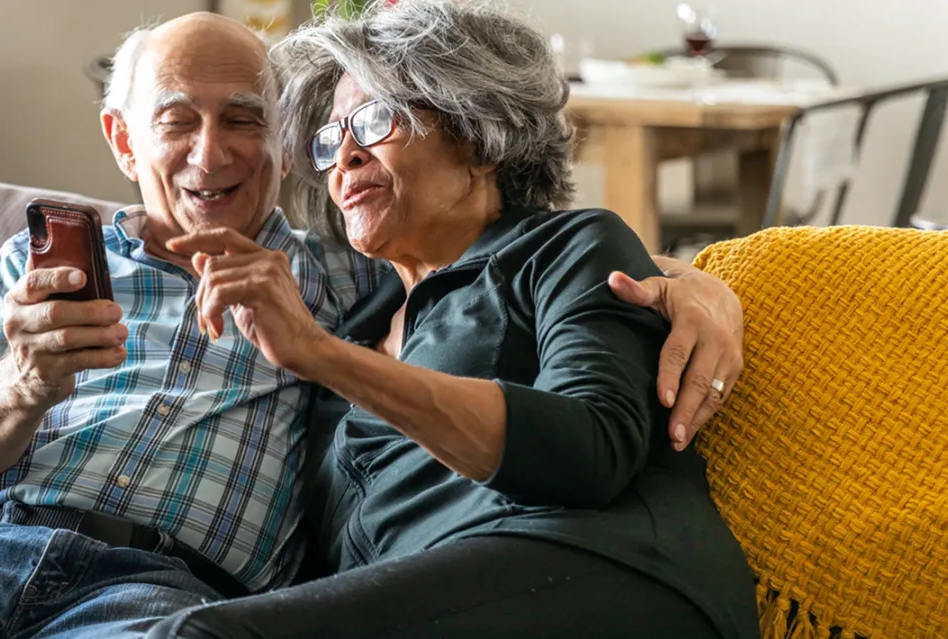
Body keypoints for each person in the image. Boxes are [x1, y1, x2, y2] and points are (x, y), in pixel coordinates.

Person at [0, 9, 744, 639]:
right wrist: (23, 385)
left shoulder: (339, 278)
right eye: (178, 118)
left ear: (281, 147)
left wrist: (705, 282)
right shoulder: (30, 265)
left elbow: (499, 249)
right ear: (125, 139)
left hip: (163, 588)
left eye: (246, 118)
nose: (213, 151)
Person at [147, 1, 758, 637]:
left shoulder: (569, 248)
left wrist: (321, 354)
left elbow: (592, 450)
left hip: (606, 574)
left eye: (373, 120)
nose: (346, 157)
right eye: (331, 141)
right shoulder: (356, 317)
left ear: (475, 134)